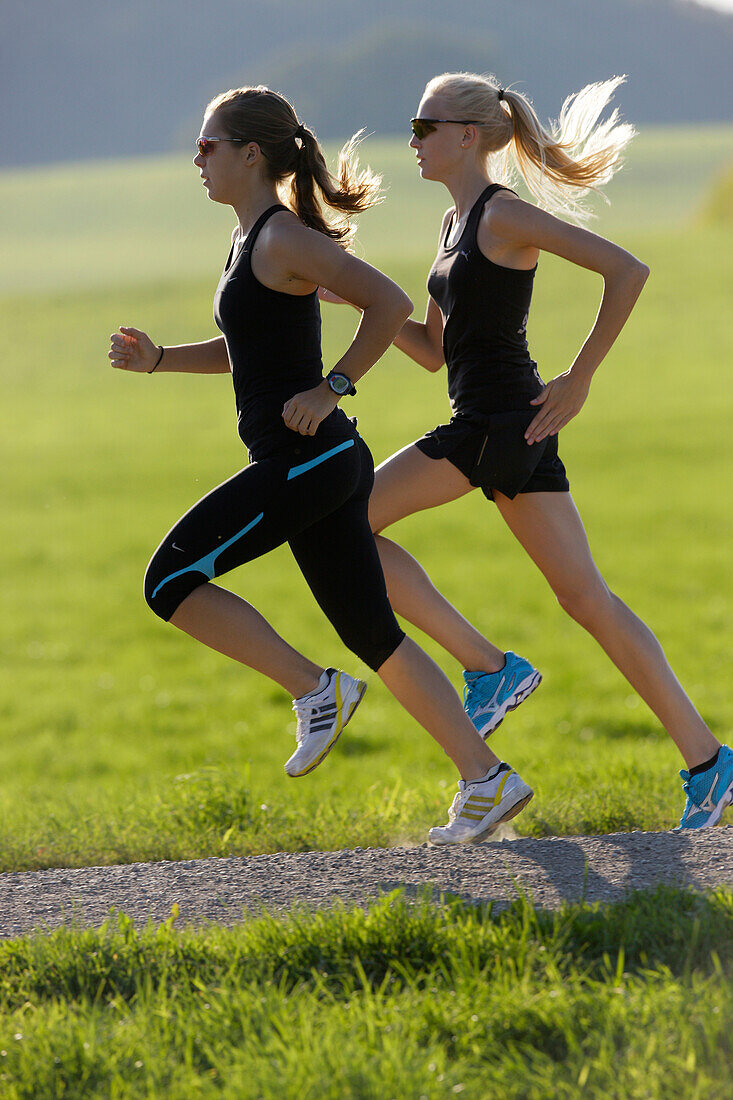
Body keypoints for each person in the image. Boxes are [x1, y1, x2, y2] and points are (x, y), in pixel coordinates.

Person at [108, 84, 535, 846]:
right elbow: (249, 353)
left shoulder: (280, 237)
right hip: (313, 464)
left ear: (250, 154)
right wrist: (161, 360)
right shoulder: (249, 242)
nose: (197, 159)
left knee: (169, 583)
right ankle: (486, 779)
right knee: (375, 632)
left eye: (209, 146)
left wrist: (332, 386)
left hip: (311, 459)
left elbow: (385, 298)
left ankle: (315, 690)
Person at [326, 72, 731, 832]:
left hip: (499, 423)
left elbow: (626, 270)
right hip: (506, 427)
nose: (412, 140)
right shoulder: (454, 230)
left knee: (346, 524)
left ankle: (489, 667)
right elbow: (432, 354)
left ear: (467, 135)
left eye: (423, 126)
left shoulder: (503, 216)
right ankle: (710, 762)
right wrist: (349, 297)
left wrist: (579, 378)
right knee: (586, 600)